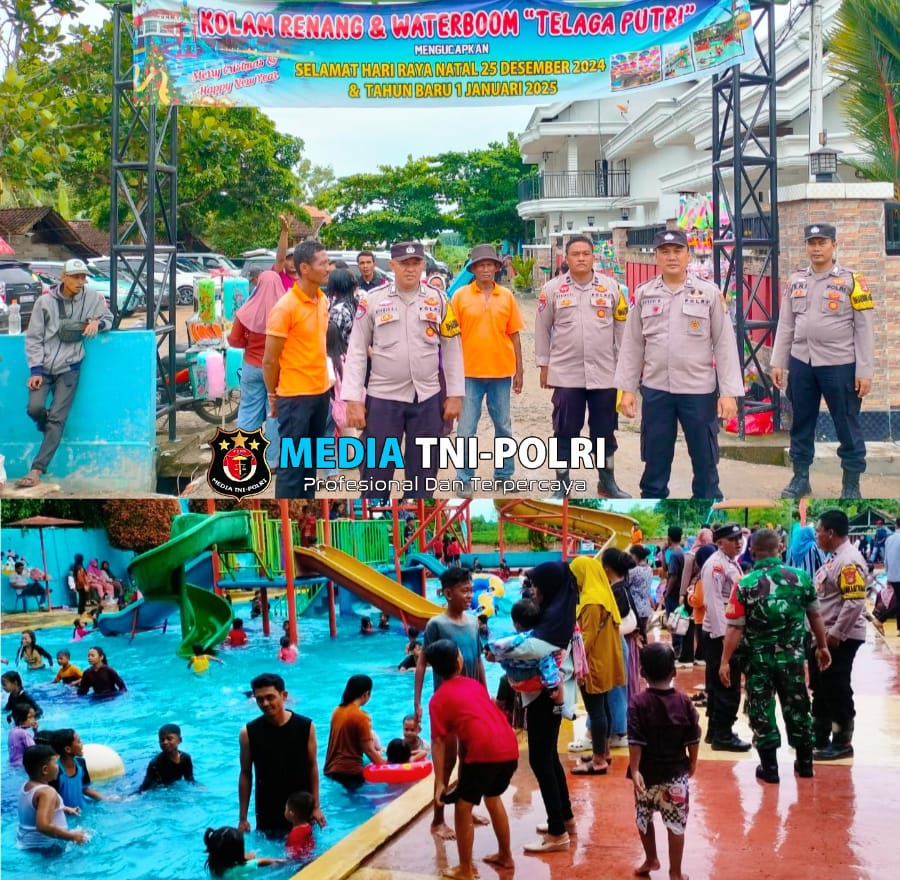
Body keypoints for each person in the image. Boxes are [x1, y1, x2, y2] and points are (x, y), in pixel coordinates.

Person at [614, 228, 744, 499]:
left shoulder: (708, 294)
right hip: (656, 390)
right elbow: (633, 345)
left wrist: (729, 393)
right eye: (665, 251)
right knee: (655, 463)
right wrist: (626, 390)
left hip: (698, 392)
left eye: (677, 251)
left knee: (706, 463)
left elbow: (724, 345)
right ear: (656, 256)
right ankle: (652, 502)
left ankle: (706, 510)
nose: (671, 257)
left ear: (688, 255)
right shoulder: (644, 294)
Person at [342, 241, 465, 498]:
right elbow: (355, 350)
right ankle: (375, 517)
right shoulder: (373, 301)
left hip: (428, 397)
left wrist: (455, 394)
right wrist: (353, 399)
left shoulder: (439, 300)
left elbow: (452, 349)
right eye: (403, 264)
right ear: (392, 266)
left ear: (423, 265)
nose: (410, 269)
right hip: (384, 398)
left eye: (416, 263)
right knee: (376, 471)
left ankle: (417, 517)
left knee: (423, 473)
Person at [719, 528, 832, 783]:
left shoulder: (745, 584)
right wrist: (822, 646)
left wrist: (725, 661)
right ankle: (805, 765)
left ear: (753, 551)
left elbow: (735, 627)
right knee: (798, 707)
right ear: (780, 548)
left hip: (759, 662)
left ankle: (770, 769)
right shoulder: (802, 578)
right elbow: (815, 616)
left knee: (761, 710)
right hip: (792, 660)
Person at [771, 223, 874, 499]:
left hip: (840, 364)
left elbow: (864, 329)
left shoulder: (853, 281)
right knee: (801, 422)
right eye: (811, 243)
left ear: (834, 245)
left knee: (846, 422)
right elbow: (786, 323)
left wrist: (864, 370)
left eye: (822, 242)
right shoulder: (796, 280)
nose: (816, 248)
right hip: (802, 362)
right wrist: (778, 361)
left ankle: (851, 484)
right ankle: (800, 477)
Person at [535, 235, 630, 497]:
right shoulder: (552, 290)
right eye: (575, 254)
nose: (581, 258)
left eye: (586, 254)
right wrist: (544, 364)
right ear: (566, 258)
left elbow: (623, 330)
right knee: (564, 429)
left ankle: (607, 482)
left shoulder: (612, 288)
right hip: (566, 374)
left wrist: (626, 369)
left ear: (593, 257)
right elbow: (542, 329)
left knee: (604, 431)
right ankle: (561, 485)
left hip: (605, 374)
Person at [16, 258, 113, 489]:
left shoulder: (91, 298)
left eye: (83, 277)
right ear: (64, 277)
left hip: (70, 368)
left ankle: (36, 470)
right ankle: (48, 427)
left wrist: (97, 324)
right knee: (35, 409)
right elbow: (34, 338)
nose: (81, 282)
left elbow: (110, 318)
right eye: (76, 277)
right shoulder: (44, 302)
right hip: (44, 369)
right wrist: (35, 370)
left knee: (58, 419)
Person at [425, 639, 518, 879]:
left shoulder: (437, 700)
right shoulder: (474, 685)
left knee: (462, 806)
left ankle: (465, 869)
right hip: (509, 748)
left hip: (485, 754)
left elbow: (438, 743)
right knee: (493, 797)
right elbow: (475, 725)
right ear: (459, 661)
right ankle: (505, 855)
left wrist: (440, 782)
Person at [414, 567, 486, 838]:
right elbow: (422, 662)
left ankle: (466, 808)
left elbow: (477, 661)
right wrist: (418, 702)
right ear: (447, 593)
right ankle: (438, 819)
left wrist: (484, 696)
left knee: (469, 758)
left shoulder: (472, 623)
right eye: (464, 590)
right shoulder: (436, 625)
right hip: (447, 705)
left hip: (470, 701)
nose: (469, 595)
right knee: (447, 762)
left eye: (470, 590)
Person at [450, 244, 525, 495]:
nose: (485, 269)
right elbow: (450, 336)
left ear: (496, 268)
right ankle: (463, 478)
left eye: (489, 265)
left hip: (501, 372)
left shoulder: (506, 297)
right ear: (473, 269)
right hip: (468, 373)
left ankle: (504, 474)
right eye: (480, 265)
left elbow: (514, 335)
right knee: (466, 428)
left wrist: (520, 371)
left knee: (503, 426)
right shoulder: (460, 296)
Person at [516, 562, 578, 852]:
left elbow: (535, 649)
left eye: (537, 585)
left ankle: (557, 834)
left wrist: (502, 650)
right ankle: (564, 817)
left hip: (546, 696)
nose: (534, 591)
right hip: (553, 693)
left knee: (540, 759)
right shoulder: (560, 610)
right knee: (548, 756)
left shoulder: (552, 618)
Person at [263, 240, 332, 499]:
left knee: (309, 467)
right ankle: (289, 519)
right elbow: (270, 361)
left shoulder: (322, 300)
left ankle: (307, 505)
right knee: (292, 469)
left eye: (328, 262)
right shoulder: (285, 308)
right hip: (294, 398)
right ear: (304, 268)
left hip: (320, 393)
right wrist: (273, 396)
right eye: (322, 263)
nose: (328, 268)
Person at [627, 643, 700, 880]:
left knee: (643, 817)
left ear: (642, 673)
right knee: (676, 824)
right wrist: (693, 763)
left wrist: (635, 769)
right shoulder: (684, 702)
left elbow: (635, 740)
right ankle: (675, 873)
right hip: (676, 775)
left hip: (646, 775)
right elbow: (693, 737)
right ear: (674, 672)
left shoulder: (637, 703)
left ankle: (651, 858)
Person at [809, 509, 868, 761]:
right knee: (821, 686)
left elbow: (854, 603)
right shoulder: (835, 558)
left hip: (839, 637)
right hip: (824, 635)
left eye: (819, 531)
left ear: (830, 533)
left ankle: (842, 740)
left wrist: (835, 634)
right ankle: (820, 735)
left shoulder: (848, 561)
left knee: (836, 685)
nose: (817, 536)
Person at [238, 672, 326, 835]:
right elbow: (245, 774)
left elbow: (312, 765)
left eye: (270, 697)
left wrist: (316, 807)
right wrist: (243, 817)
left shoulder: (305, 726)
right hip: (267, 806)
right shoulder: (248, 733)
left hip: (301, 806)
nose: (265, 703)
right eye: (259, 699)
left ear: (284, 695)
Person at [698, 523, 752, 752]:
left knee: (720, 683)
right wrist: (724, 639)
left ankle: (715, 731)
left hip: (728, 631)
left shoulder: (730, 563)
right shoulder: (715, 566)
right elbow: (713, 604)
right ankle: (723, 735)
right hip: (721, 633)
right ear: (720, 543)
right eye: (732, 539)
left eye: (739, 537)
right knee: (726, 685)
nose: (738, 542)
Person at [570, 555, 625, 774]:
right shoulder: (604, 594)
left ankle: (599, 759)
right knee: (603, 708)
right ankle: (605, 751)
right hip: (606, 660)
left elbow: (586, 638)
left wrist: (574, 665)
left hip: (592, 663)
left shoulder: (591, 601)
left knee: (596, 711)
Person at [228, 270, 285, 463]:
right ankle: (273, 461)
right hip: (278, 369)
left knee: (248, 410)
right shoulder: (287, 311)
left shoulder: (245, 311)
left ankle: (244, 457)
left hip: (252, 366)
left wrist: (249, 342)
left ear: (258, 284)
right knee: (274, 413)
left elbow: (234, 341)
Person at [486, 599, 567, 711]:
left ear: (515, 624)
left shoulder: (511, 641)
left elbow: (498, 649)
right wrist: (552, 685)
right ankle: (560, 705)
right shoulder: (539, 640)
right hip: (532, 675)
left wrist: (494, 655)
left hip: (513, 676)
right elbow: (547, 664)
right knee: (551, 666)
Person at [17, 745, 87, 849]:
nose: (58, 766)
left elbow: (37, 809)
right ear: (45, 770)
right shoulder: (47, 792)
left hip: (25, 843)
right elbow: (43, 826)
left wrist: (64, 808)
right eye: (55, 763)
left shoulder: (26, 787)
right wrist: (72, 836)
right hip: (47, 849)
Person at [324, 674, 386, 788]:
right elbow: (369, 751)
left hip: (330, 769)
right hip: (350, 773)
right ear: (366, 694)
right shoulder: (361, 717)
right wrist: (386, 764)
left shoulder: (336, 711)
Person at [204, 826, 285, 877]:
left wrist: (243, 858)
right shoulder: (241, 868)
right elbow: (261, 861)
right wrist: (276, 861)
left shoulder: (213, 864)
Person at [49, 728, 103, 807]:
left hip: (83, 806)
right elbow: (51, 801)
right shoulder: (56, 771)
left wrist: (106, 799)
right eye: (78, 742)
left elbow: (84, 788)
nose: (82, 744)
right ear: (68, 749)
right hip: (66, 814)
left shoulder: (81, 763)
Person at [138, 722, 195, 791]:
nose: (165, 742)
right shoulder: (155, 764)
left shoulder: (186, 758)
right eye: (162, 740)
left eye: (169, 739)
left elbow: (189, 779)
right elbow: (144, 787)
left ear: (179, 740)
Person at [284, 791, 316, 859]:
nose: (285, 811)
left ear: (291, 813)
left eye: (286, 808)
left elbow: (293, 858)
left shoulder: (294, 835)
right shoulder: (308, 826)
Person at [884, 517, 900, 636]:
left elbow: (886, 560)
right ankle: (881, 618)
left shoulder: (889, 539)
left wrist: (888, 574)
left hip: (893, 575)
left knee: (898, 600)